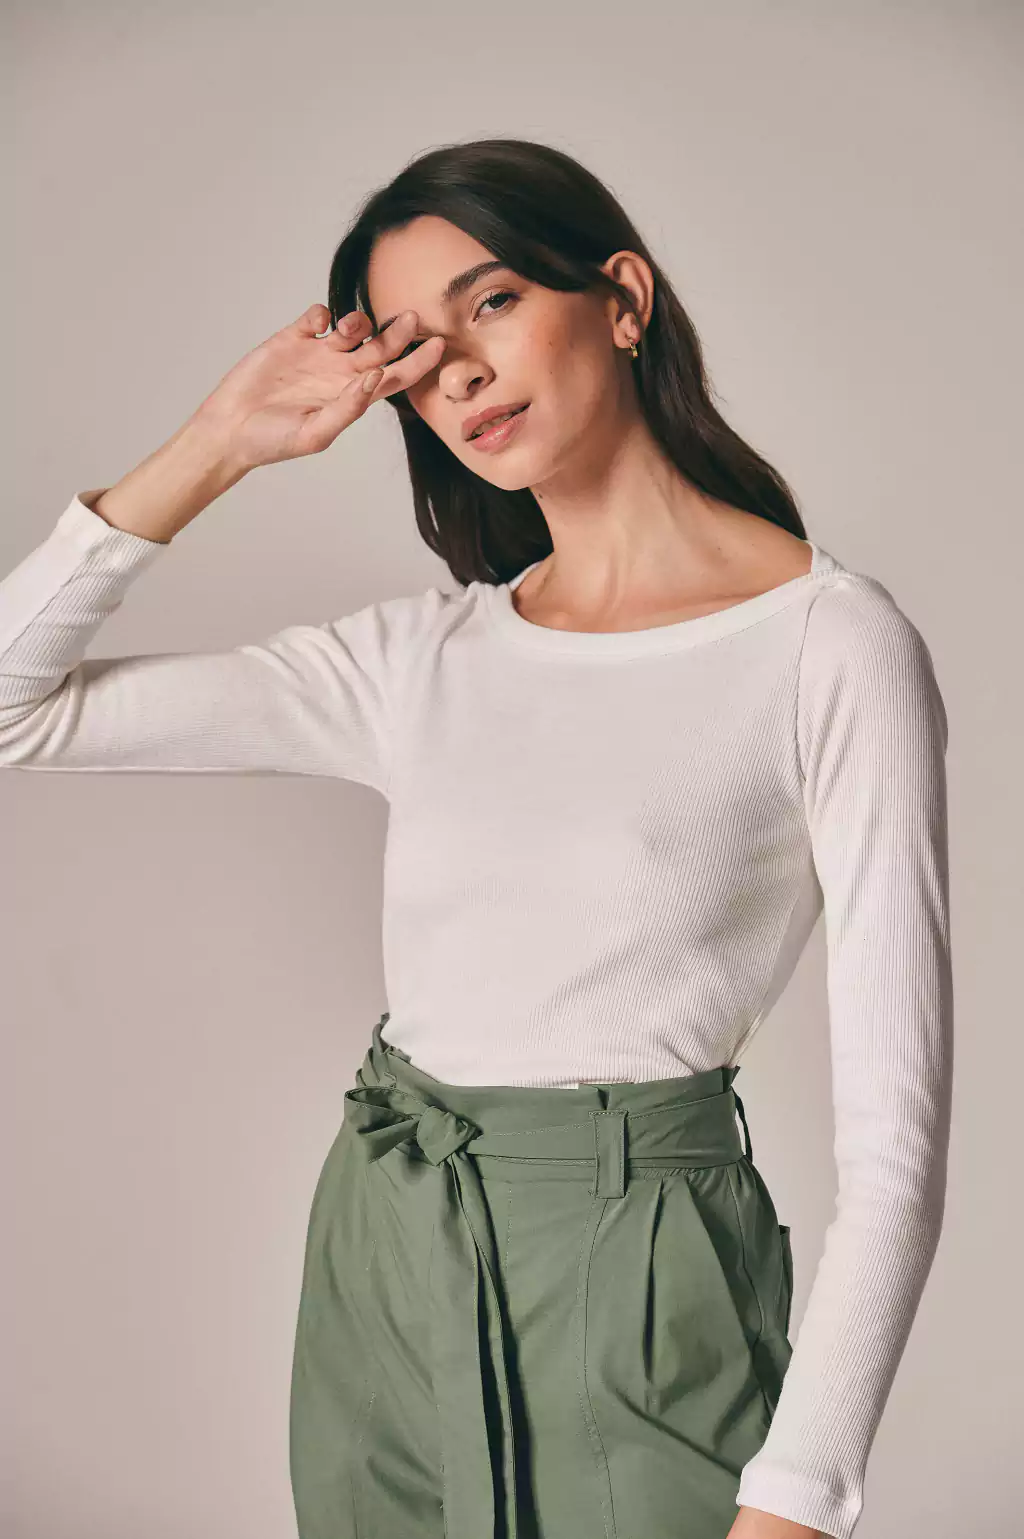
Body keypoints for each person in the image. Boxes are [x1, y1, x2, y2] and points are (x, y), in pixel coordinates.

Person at [0, 138, 952, 1539]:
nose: (455, 370)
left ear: (622, 299)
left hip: (638, 1258)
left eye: (492, 301)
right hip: (388, 1232)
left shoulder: (830, 646)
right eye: (410, 348)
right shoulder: (423, 660)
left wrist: (800, 1499)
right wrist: (219, 443)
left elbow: (895, 1144)